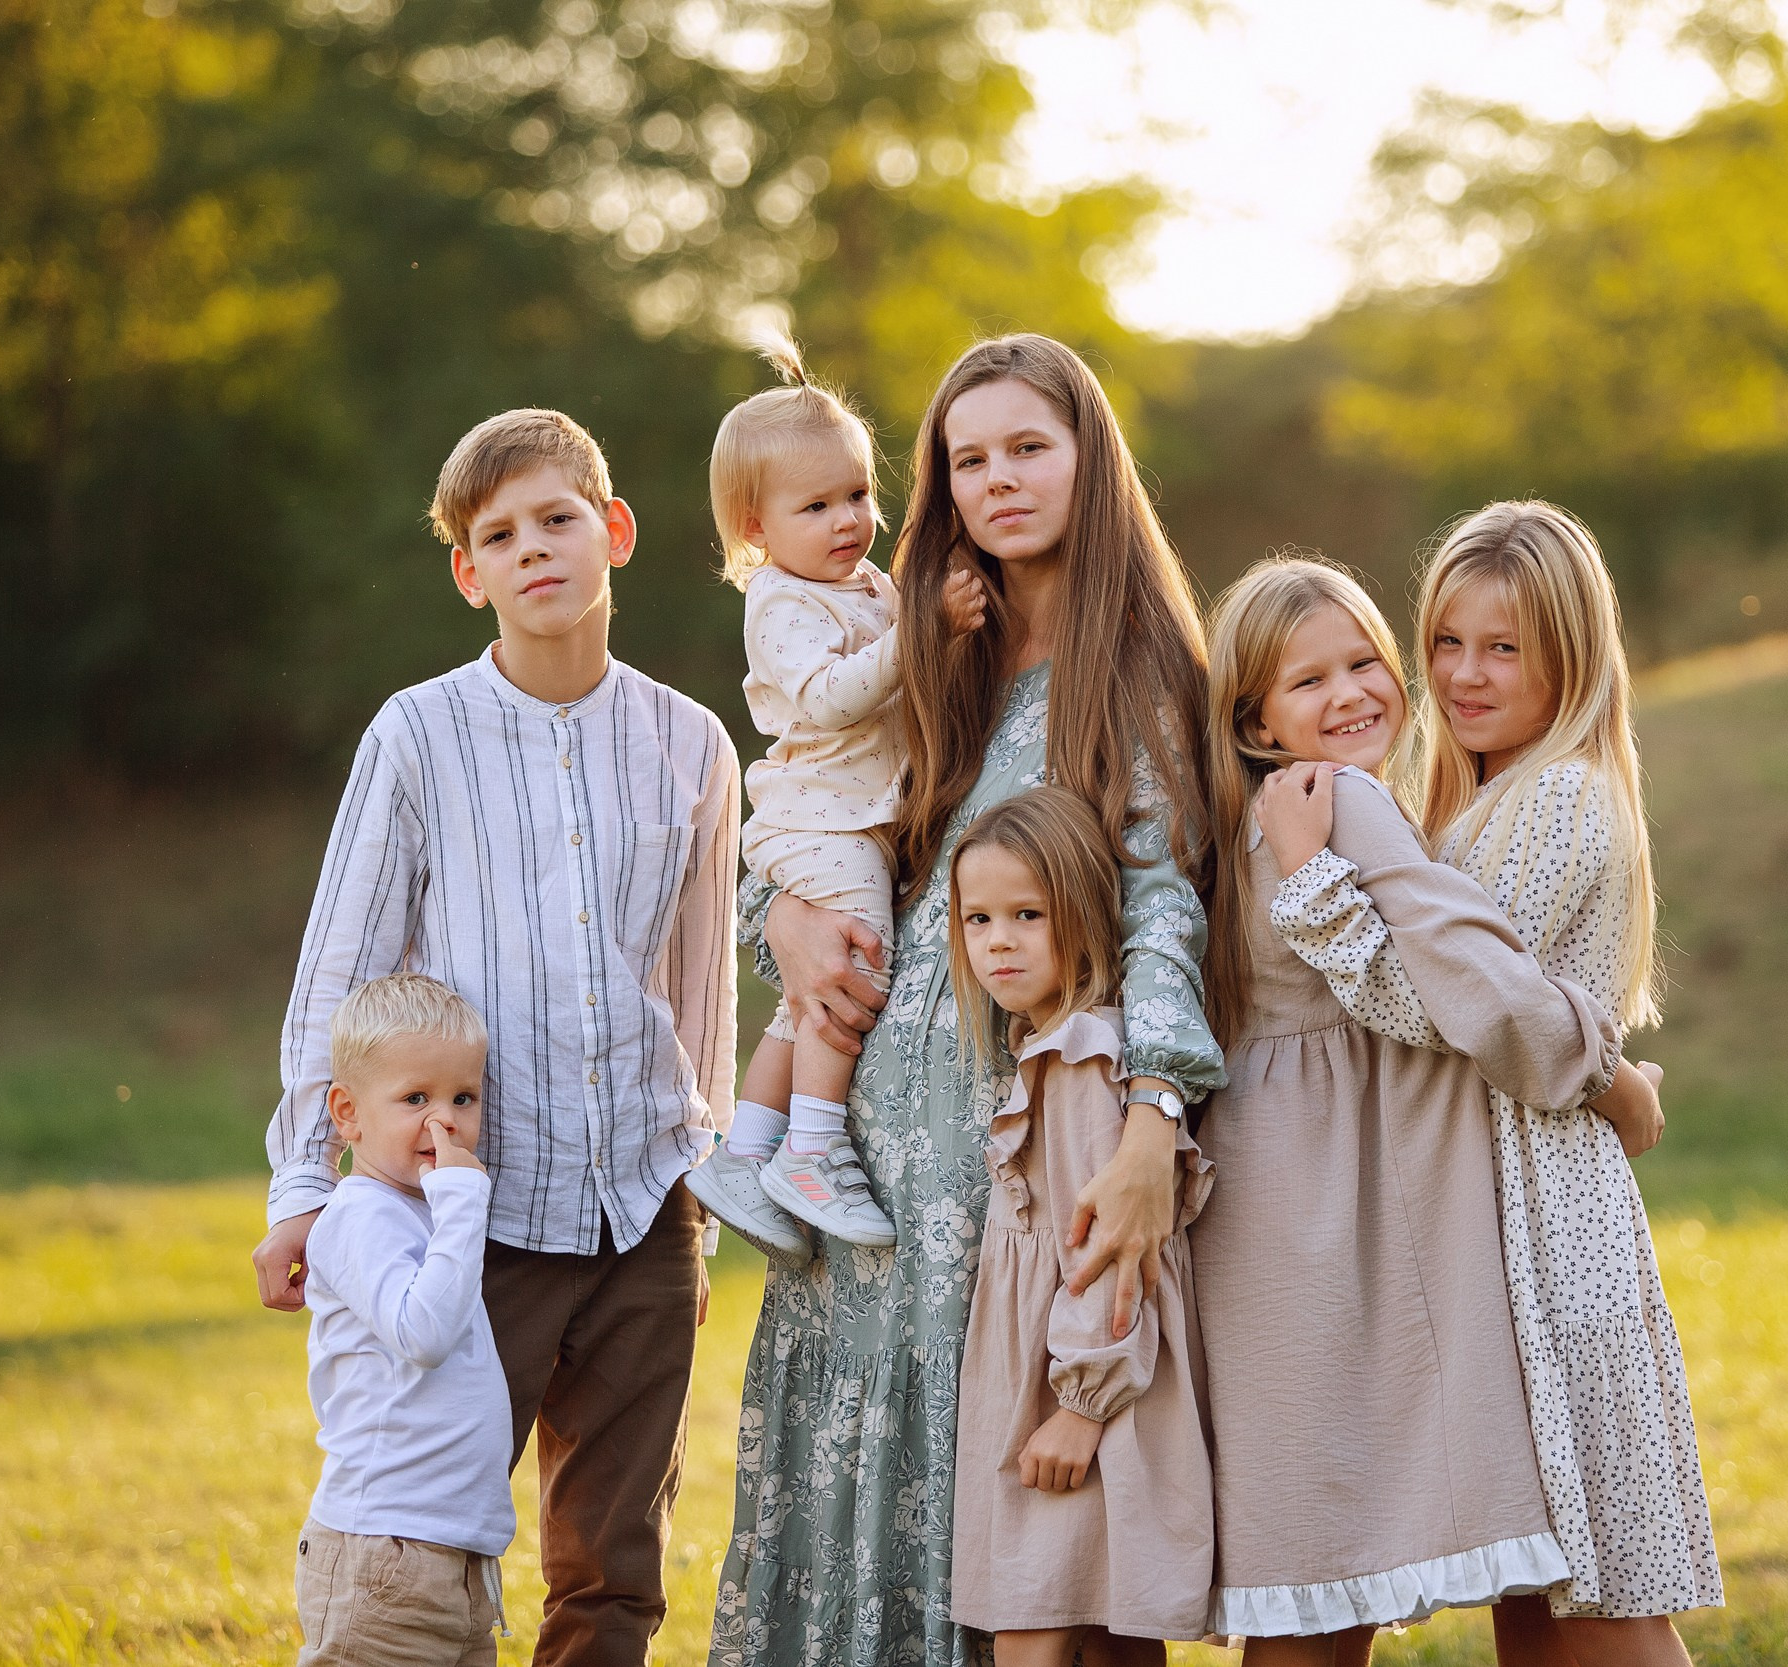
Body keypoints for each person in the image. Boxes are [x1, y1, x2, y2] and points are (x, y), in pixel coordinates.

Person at [709, 334, 1222, 1667]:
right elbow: (827, 829)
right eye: (967, 456)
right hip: (868, 1129)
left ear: (1089, 459)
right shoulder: (919, 645)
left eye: (1028, 447)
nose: (998, 479)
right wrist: (787, 919)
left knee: (1031, 1515)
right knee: (859, 1453)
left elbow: (1166, 901)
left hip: (1019, 1143)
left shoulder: (1139, 665)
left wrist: (1156, 1115)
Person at [253, 407, 740, 1667]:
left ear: (614, 532)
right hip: (470, 1213)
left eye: (558, 519)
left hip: (642, 1204)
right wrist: (306, 1181)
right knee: (428, 1542)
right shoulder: (418, 733)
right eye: (500, 534)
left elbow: (700, 994)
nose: (535, 550)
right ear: (470, 572)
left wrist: (705, 1182)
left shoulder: (693, 743)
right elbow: (339, 976)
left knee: (614, 1560)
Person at [1191, 557, 1665, 1666]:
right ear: (1254, 714)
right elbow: (1470, 990)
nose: (1357, 690)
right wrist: (1610, 1071)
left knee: (1318, 1577)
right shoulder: (1339, 801)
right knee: (1343, 1577)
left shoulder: (1263, 808)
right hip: (1334, 1217)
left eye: (1366, 660)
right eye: (1309, 679)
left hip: (1286, 1202)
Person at [1414, 503, 1722, 1666]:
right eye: (1447, 641)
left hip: (1544, 1219)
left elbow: (1450, 1000)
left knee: (1588, 1597)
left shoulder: (1552, 799)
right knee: (1540, 1596)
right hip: (1510, 1210)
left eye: (1503, 647)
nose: (1464, 673)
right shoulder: (1482, 793)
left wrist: (1316, 892)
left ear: (1571, 655)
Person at [683, 338, 985, 1260]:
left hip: (856, 819)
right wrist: (918, 632)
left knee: (804, 1001)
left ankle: (747, 1151)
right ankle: (815, 1147)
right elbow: (828, 696)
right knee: (855, 965)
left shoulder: (866, 583)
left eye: (856, 493)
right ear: (756, 527)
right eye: (814, 505)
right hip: (817, 819)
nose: (847, 518)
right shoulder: (779, 603)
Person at [945, 787, 1214, 1662]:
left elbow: (1117, 1253)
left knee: (1036, 1614)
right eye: (978, 918)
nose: (1000, 940)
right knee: (1108, 1624)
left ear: (1084, 913)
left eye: (1028, 913)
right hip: (1052, 1373)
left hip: (1079, 1386)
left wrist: (1082, 1404)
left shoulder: (1087, 1058)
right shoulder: (1044, 1048)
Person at [294, 973, 510, 1665]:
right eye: (415, 1097)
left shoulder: (428, 1210)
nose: (443, 1121)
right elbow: (424, 1332)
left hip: (455, 1556)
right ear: (348, 1112)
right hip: (383, 1552)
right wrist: (464, 1198)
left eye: (462, 1097)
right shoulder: (361, 1215)